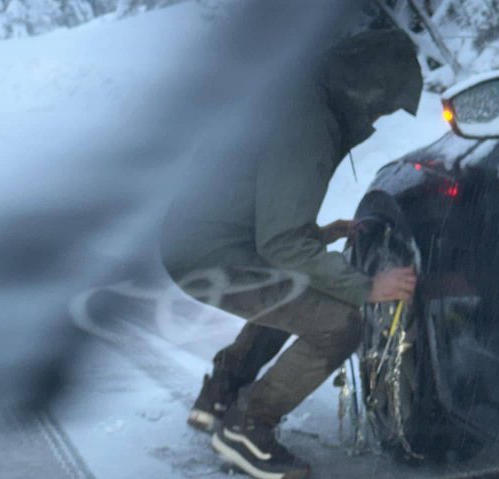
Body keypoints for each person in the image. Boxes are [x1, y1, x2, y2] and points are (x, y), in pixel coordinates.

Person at [162, 29, 422, 479]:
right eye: (385, 104)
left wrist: (318, 235)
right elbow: (281, 244)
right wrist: (365, 286)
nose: (381, 116)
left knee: (305, 291)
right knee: (340, 323)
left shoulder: (300, 97)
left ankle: (222, 393)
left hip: (204, 240)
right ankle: (248, 427)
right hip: (212, 256)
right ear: (366, 88)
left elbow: (261, 213)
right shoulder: (311, 122)